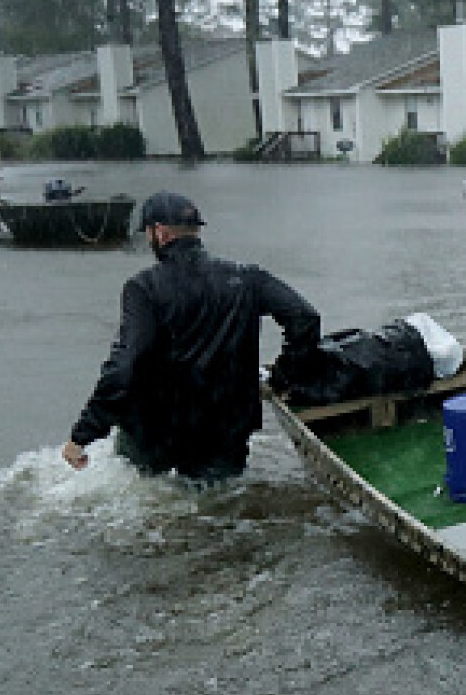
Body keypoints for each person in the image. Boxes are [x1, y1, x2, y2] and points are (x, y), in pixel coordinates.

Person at [63, 192, 321, 481]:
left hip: (156, 430)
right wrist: (282, 377)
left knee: (151, 503)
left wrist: (83, 434)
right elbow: (305, 319)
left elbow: (128, 363)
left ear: (159, 232)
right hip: (225, 427)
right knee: (218, 504)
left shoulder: (144, 288)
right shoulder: (247, 279)